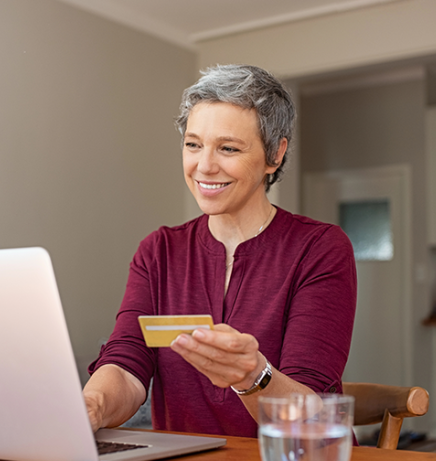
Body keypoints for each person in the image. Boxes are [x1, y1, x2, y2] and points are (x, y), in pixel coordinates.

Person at [84, 64, 357, 438]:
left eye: (228, 148)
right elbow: (127, 365)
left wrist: (251, 376)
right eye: (193, 144)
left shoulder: (319, 249)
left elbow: (312, 414)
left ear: (274, 155)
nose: (205, 166)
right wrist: (91, 407)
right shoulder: (159, 251)